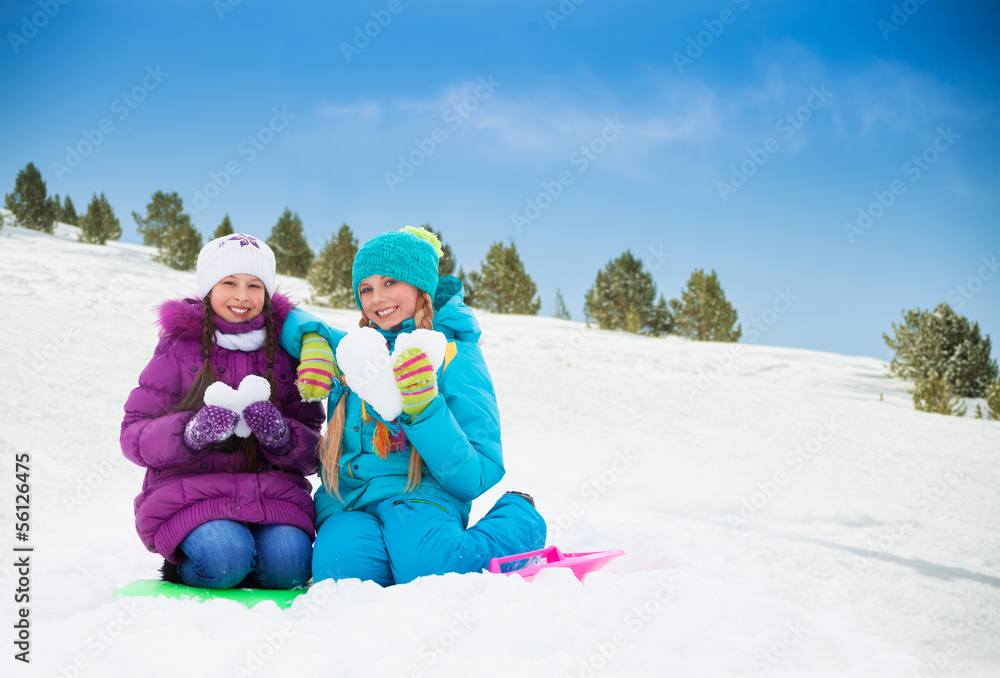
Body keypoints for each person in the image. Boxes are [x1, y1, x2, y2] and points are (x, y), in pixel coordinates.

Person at [280, 226, 546, 586]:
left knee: (430, 573)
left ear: (421, 287)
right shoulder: (357, 350)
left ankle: (518, 516)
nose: (377, 298)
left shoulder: (455, 355)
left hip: (421, 495)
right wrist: (312, 340)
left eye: (391, 282)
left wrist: (423, 409)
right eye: (366, 289)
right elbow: (284, 316)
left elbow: (477, 474)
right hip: (350, 502)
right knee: (342, 580)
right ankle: (392, 555)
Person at [121, 233, 325, 589]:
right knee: (223, 558)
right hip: (192, 494)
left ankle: (252, 562)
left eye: (255, 285)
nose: (242, 296)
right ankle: (197, 566)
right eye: (229, 282)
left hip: (271, 494)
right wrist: (190, 433)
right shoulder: (178, 348)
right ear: (208, 287)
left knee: (290, 567)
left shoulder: (287, 352)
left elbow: (314, 453)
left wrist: (282, 436)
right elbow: (133, 435)